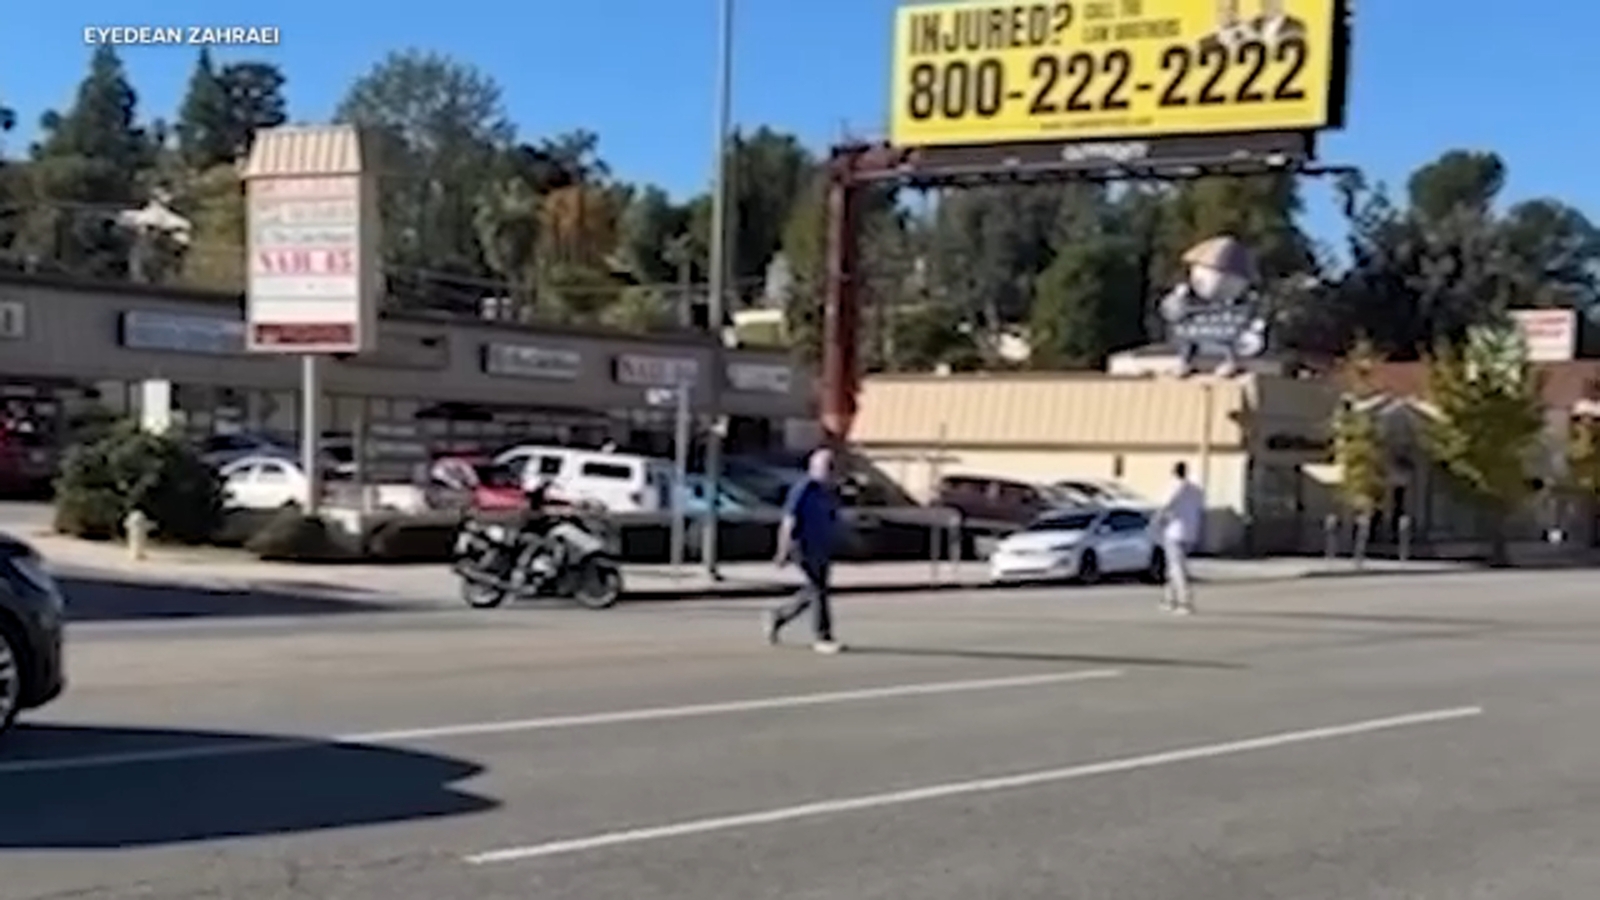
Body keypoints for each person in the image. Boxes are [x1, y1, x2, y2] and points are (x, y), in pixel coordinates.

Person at [764, 448, 843, 653]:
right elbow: (788, 520)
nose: (831, 472)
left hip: (822, 547)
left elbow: (832, 518)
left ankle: (779, 617)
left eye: (833, 467)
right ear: (814, 468)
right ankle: (823, 636)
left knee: (815, 590)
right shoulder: (803, 489)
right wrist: (782, 551)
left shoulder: (830, 492)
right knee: (819, 590)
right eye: (827, 467)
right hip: (802, 546)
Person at [1153, 461, 1205, 615]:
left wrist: (1157, 520)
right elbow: (1200, 508)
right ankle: (1169, 599)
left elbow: (1166, 504)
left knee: (1177, 567)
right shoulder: (1195, 490)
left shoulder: (1176, 487)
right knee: (1172, 567)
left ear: (1175, 472)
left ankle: (1185, 602)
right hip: (1190, 532)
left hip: (1174, 532)